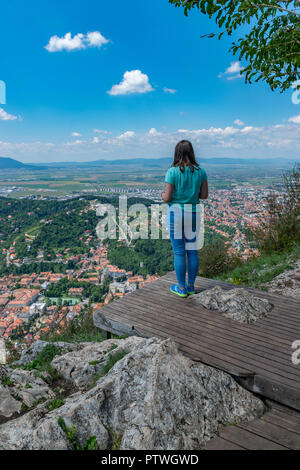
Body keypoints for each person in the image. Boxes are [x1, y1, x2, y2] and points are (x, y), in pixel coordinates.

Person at [162, 140, 208, 298]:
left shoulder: (172, 172)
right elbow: (204, 195)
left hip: (176, 214)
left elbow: (167, 198)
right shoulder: (200, 171)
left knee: (179, 253)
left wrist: (163, 195)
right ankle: (190, 286)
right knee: (193, 252)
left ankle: (181, 288)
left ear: (177, 153)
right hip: (193, 213)